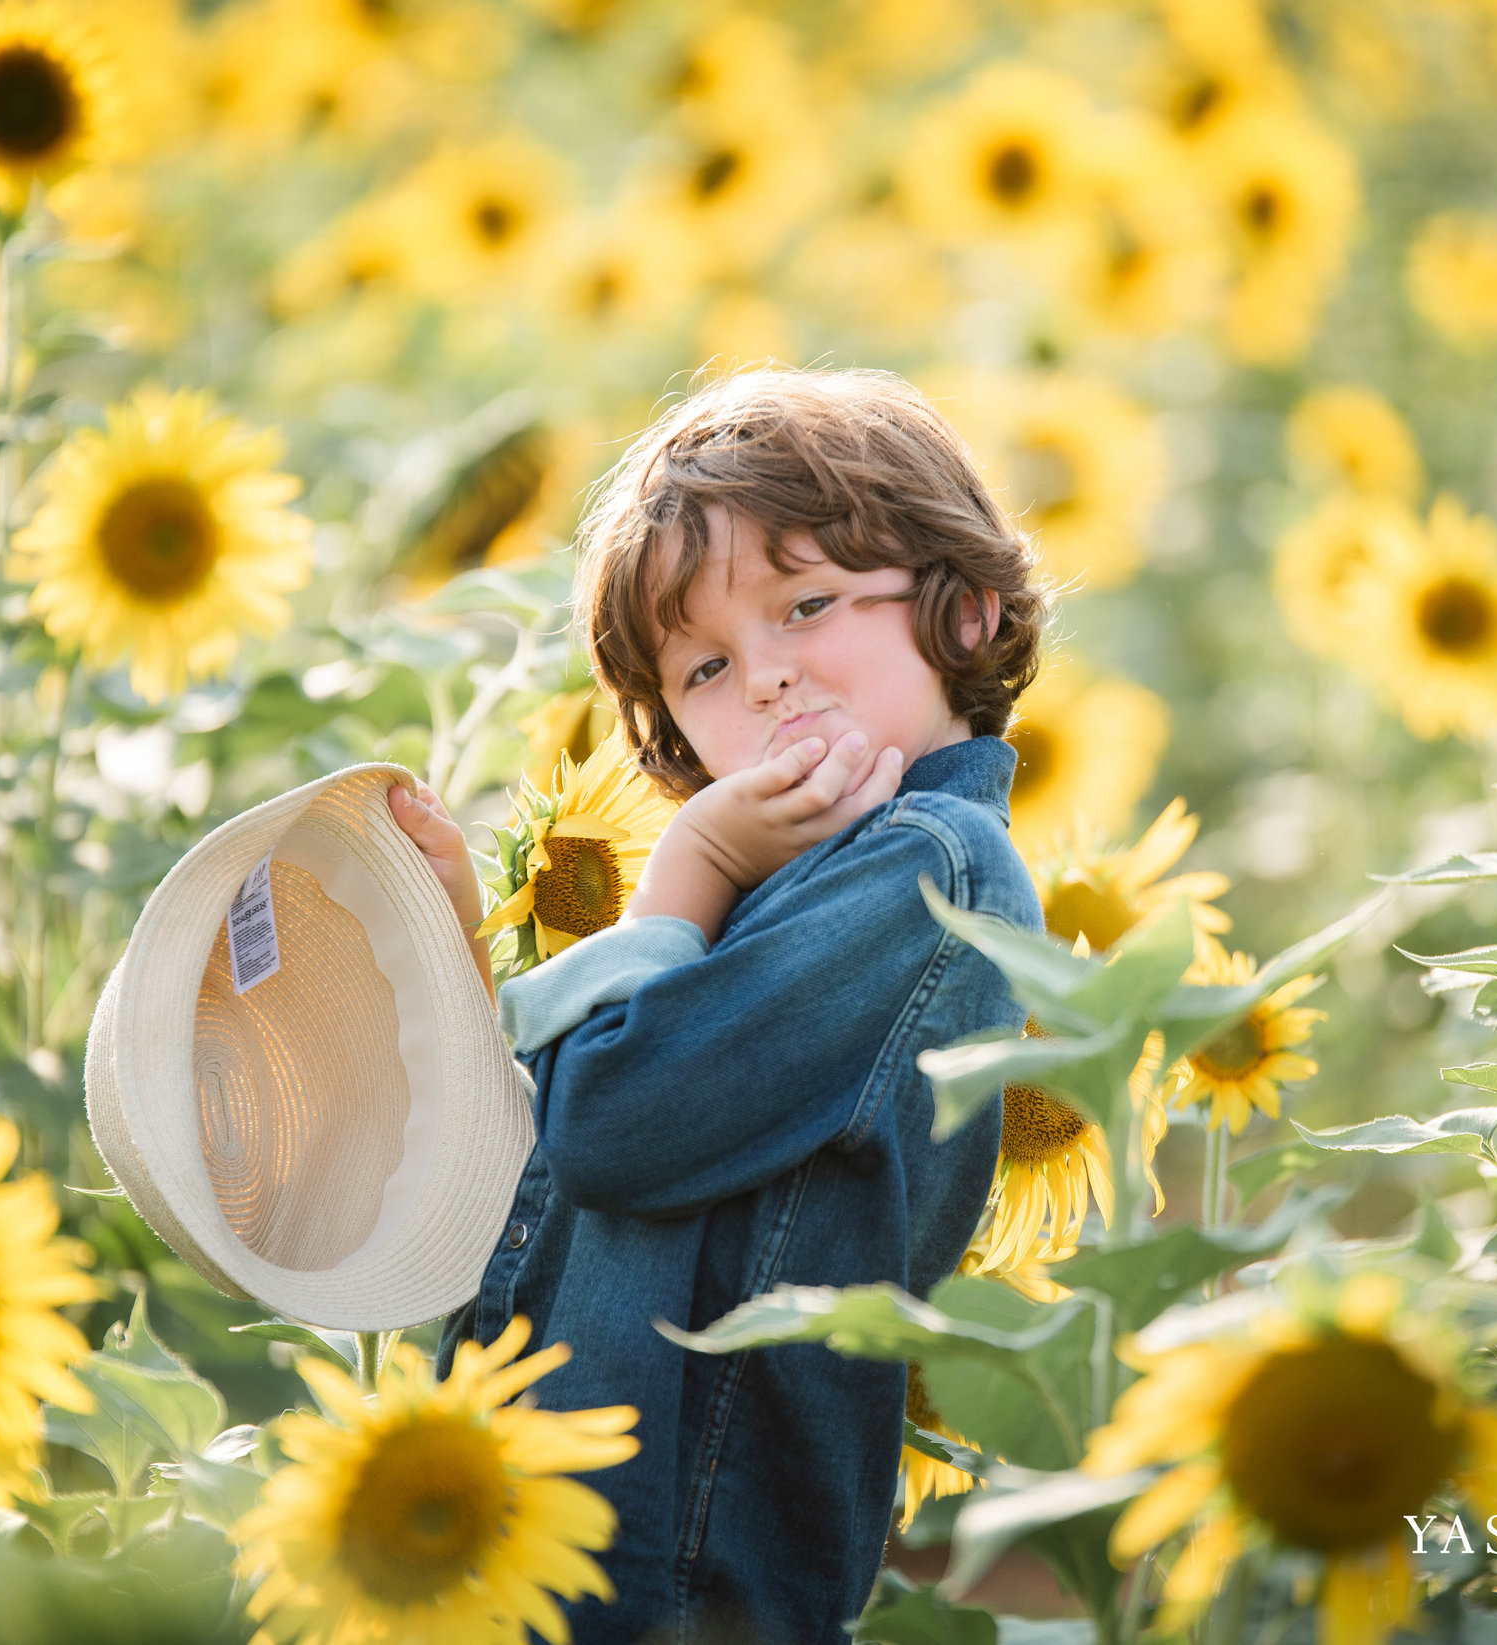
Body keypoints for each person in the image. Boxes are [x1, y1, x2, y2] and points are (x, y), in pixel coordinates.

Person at [387, 367, 1046, 1644]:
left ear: (965, 616)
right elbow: (548, 1186)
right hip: (555, 1551)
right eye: (703, 667)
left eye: (805, 605)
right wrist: (467, 958)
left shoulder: (932, 871)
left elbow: (621, 1126)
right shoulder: (776, 897)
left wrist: (683, 870)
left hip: (682, 1575)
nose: (764, 681)